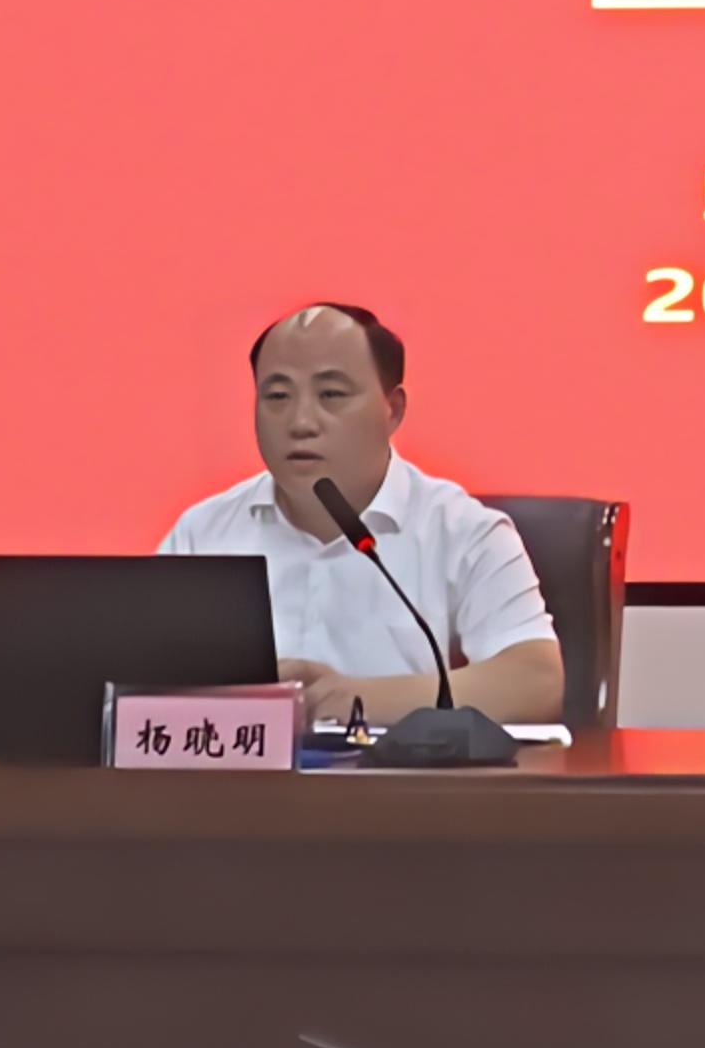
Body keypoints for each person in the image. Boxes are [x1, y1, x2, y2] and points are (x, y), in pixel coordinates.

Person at [159, 302, 567, 731]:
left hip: (399, 775)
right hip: (240, 772)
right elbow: (139, 680)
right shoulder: (203, 532)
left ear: (393, 409)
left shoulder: (463, 531)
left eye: (331, 395)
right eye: (277, 396)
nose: (300, 422)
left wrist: (352, 699)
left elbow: (535, 683)